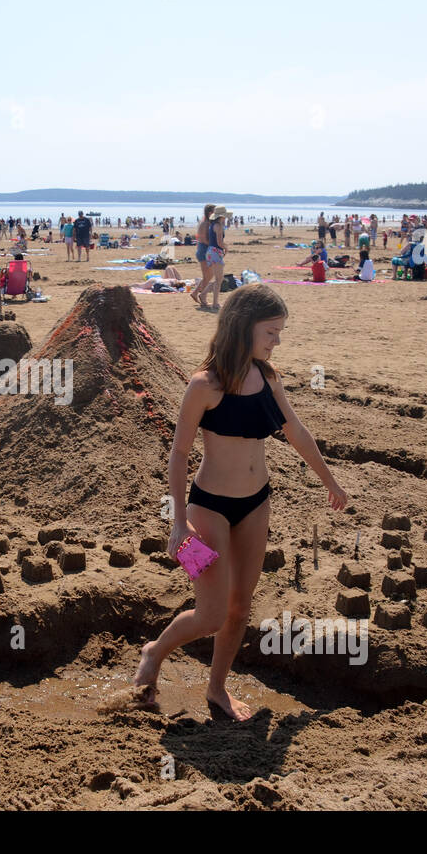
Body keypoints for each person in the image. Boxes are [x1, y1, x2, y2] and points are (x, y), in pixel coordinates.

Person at [133, 283, 347, 719]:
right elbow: (178, 453)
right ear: (243, 327)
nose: (277, 341)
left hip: (256, 504)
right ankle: (154, 652)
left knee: (240, 605)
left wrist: (331, 481)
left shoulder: (268, 378)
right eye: (271, 332)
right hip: (205, 509)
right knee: (210, 615)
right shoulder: (204, 385)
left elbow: (296, 432)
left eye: (280, 332)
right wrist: (177, 523)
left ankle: (216, 688)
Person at [191, 203, 216, 308]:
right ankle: (202, 298)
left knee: (208, 275)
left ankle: (196, 293)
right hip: (203, 250)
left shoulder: (206, 222)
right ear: (210, 212)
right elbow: (204, 240)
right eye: (214, 211)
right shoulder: (205, 224)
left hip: (203, 250)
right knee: (208, 276)